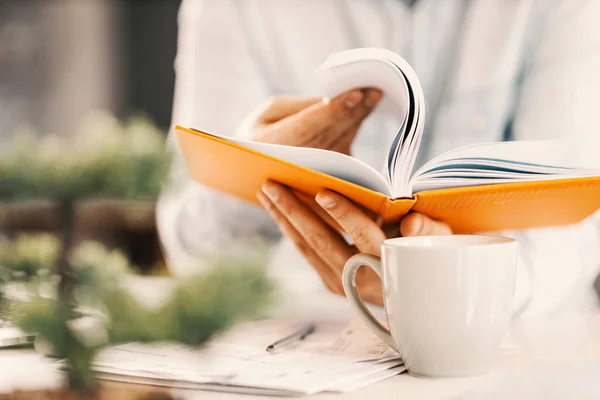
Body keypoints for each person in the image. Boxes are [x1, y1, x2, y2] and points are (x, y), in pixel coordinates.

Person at [157, 0, 600, 318]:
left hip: (518, 351)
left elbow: (578, 226)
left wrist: (452, 286)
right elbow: (194, 250)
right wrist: (253, 171)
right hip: (305, 345)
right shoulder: (236, 8)